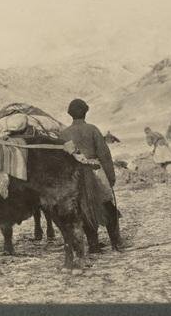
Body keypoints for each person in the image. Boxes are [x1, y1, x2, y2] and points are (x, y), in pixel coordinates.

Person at [59, 99, 123, 252]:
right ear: (85, 112)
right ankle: (115, 242)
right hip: (95, 171)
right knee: (106, 203)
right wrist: (110, 176)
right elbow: (104, 154)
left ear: (70, 114)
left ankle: (93, 244)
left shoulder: (64, 134)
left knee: (84, 207)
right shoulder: (92, 129)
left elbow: (62, 160)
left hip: (76, 176)